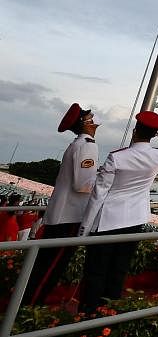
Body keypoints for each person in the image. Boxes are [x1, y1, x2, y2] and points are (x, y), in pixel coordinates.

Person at [78, 111, 158, 313]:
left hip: (108, 222)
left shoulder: (118, 157)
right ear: (153, 134)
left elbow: (98, 194)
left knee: (96, 271)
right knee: (119, 270)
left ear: (135, 130)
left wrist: (84, 228)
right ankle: (109, 312)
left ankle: (88, 313)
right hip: (134, 221)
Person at [22, 103, 100, 305]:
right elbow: (83, 185)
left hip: (61, 215)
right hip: (70, 217)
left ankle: (27, 305)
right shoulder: (88, 146)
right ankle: (28, 310)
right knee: (49, 271)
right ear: (84, 123)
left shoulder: (78, 144)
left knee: (43, 267)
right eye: (90, 118)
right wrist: (106, 182)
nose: (94, 121)